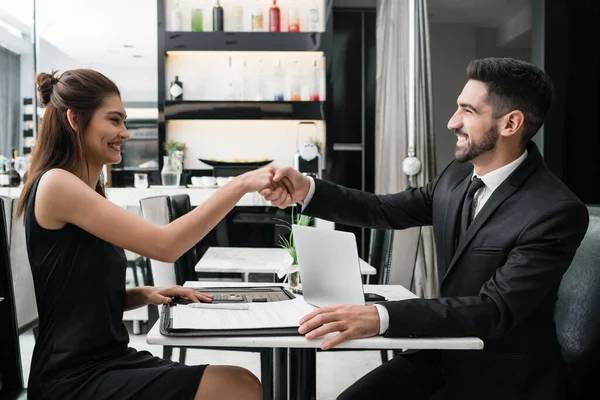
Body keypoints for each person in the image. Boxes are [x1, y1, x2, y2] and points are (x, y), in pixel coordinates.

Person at [260, 58, 590, 400]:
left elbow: (494, 309)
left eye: (468, 111)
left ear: (510, 123)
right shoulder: (458, 175)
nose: (452, 122)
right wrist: (308, 190)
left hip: (501, 376)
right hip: (441, 352)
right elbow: (386, 209)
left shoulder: (554, 211)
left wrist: (381, 315)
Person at [16, 69, 276, 400]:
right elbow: (164, 245)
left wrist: (143, 293)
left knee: (242, 381)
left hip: (108, 359)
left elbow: (75, 294)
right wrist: (239, 184)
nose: (124, 133)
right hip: (70, 377)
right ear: (75, 119)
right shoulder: (56, 184)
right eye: (114, 120)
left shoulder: (85, 191)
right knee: (236, 386)